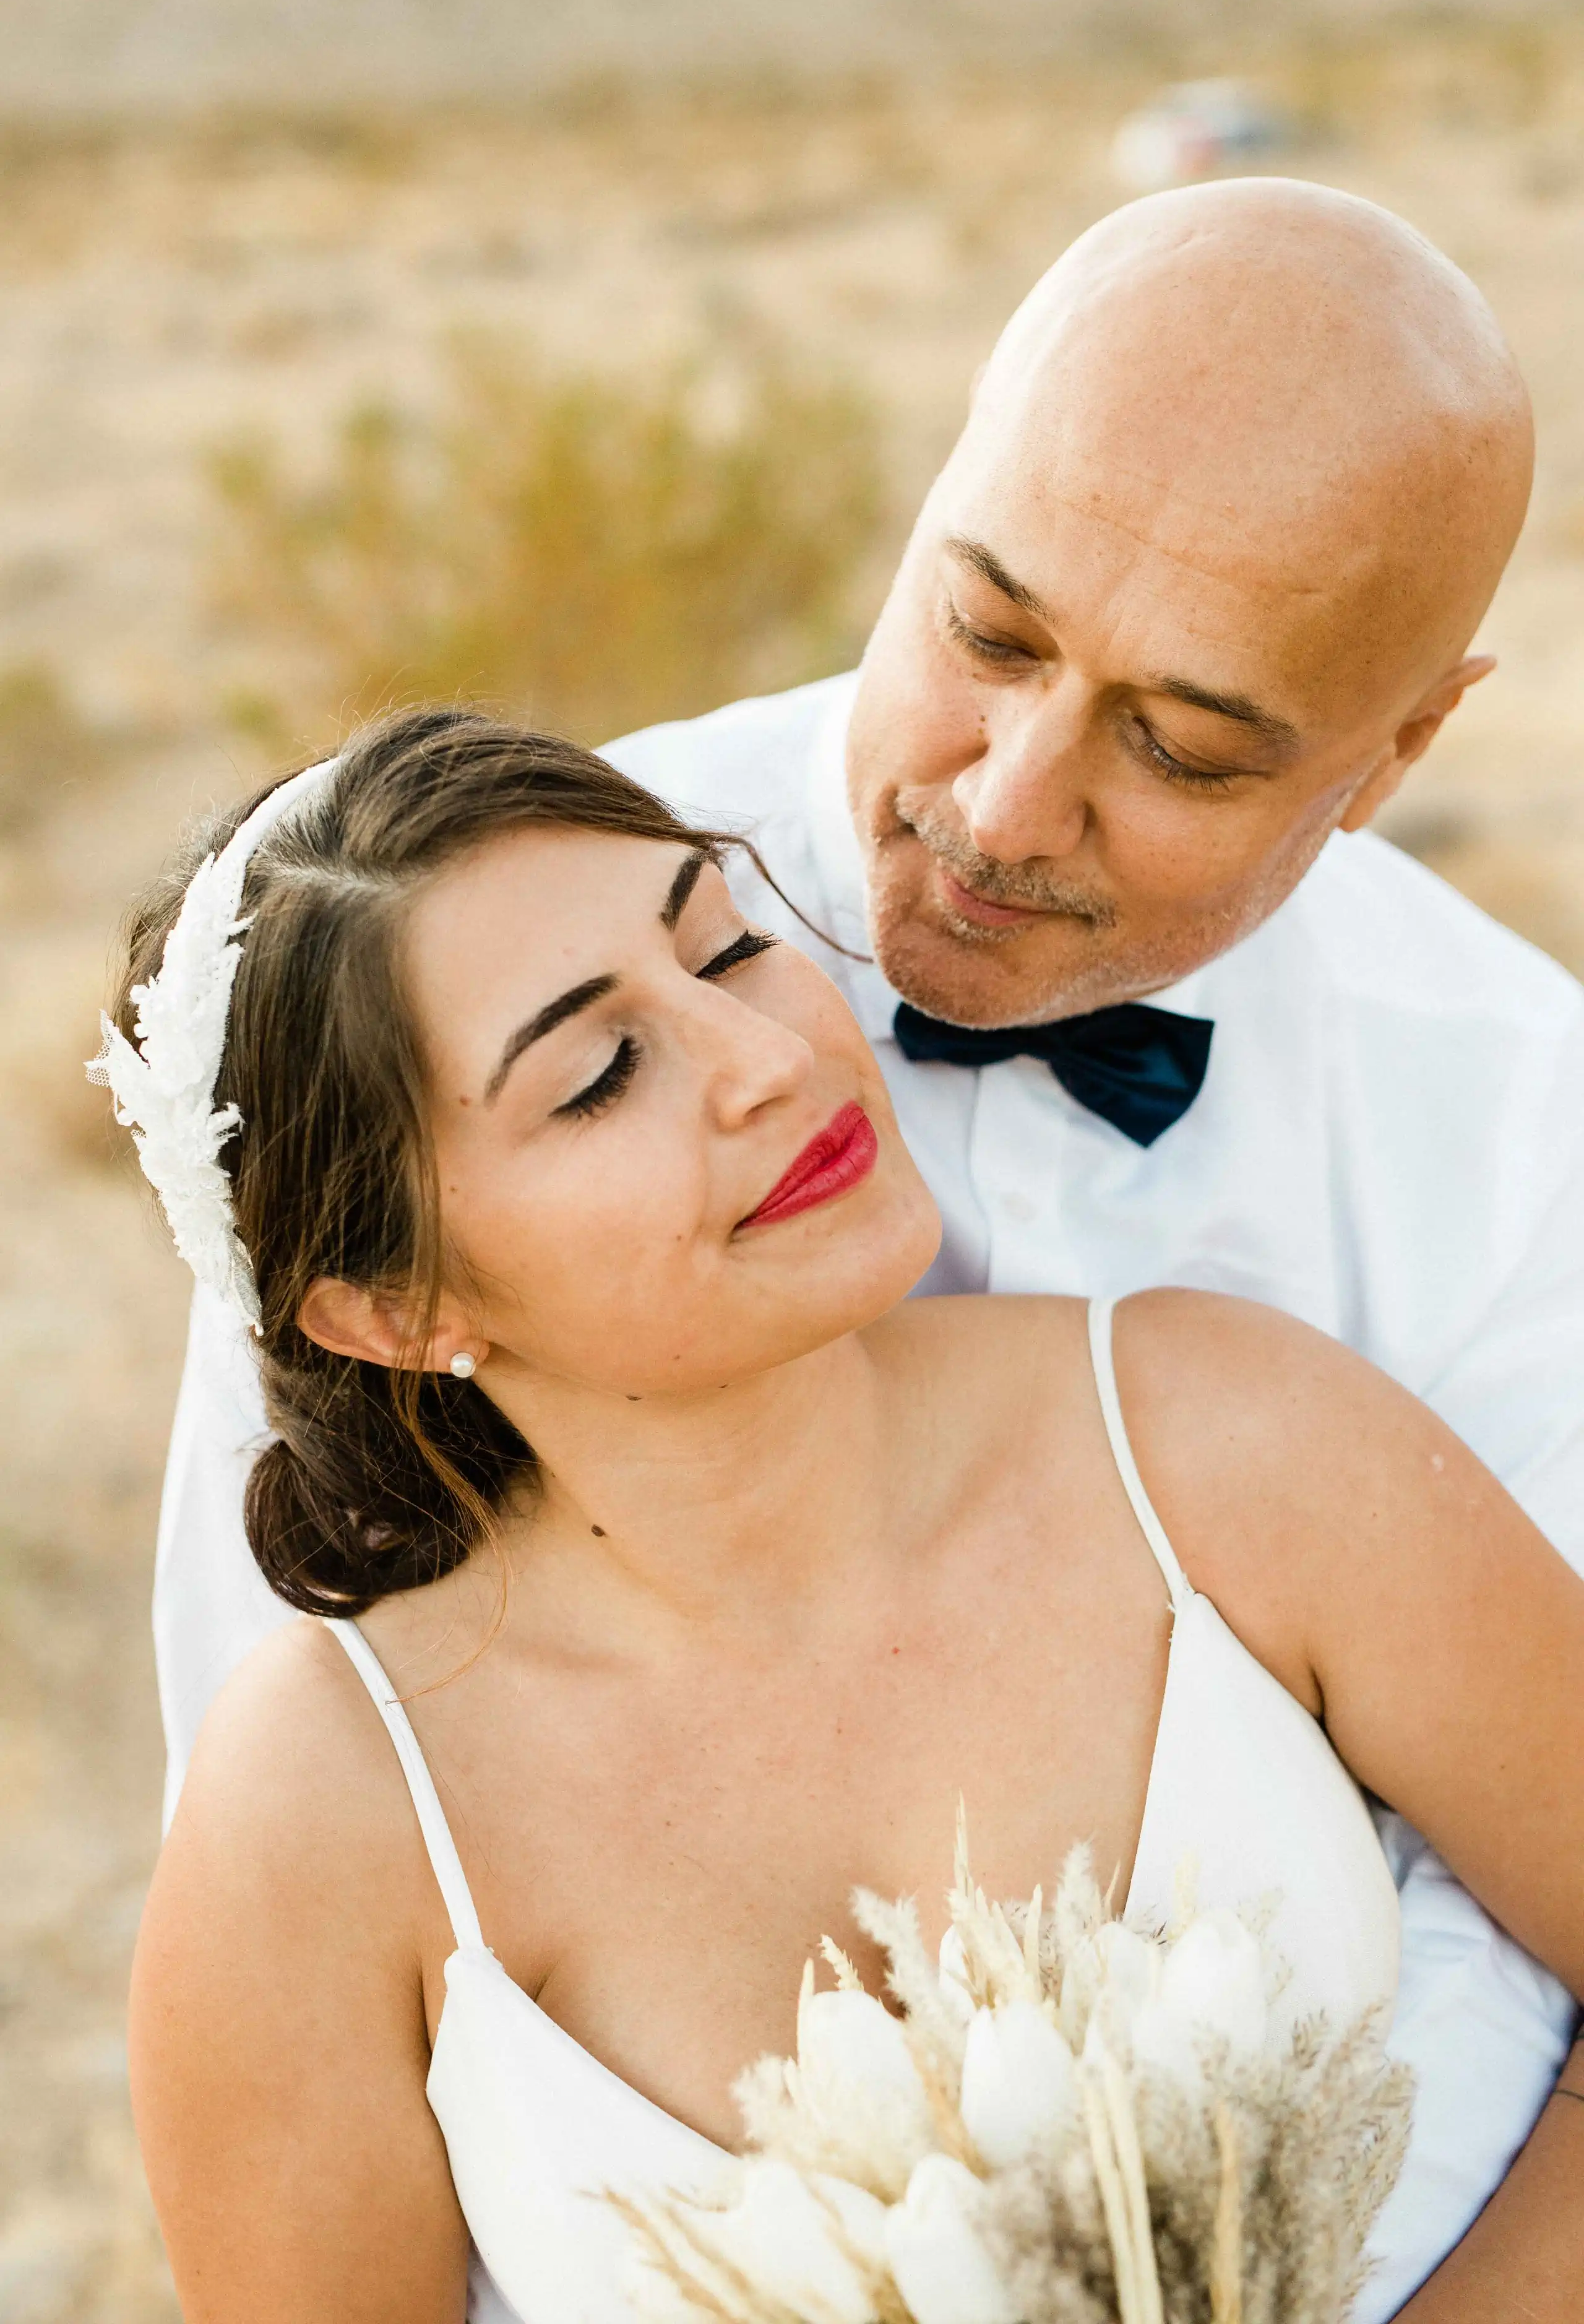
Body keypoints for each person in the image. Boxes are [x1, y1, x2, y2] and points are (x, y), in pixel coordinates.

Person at [150, 178, 1584, 2310]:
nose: (1001, 806)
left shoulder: (1491, 1167)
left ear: (1398, 757)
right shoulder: (443, 961)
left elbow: (1522, 1954)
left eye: (1184, 746)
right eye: (987, 635)